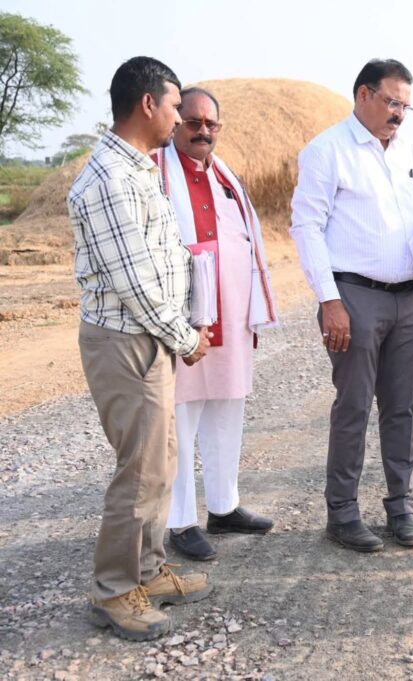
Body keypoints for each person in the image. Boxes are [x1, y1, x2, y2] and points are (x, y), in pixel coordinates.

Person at [69, 56, 213, 641]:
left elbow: (157, 259)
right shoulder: (110, 178)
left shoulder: (137, 169)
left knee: (161, 461)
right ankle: (113, 591)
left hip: (145, 336)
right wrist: (185, 337)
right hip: (126, 339)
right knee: (140, 470)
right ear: (148, 103)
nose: (181, 119)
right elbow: (135, 282)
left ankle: (148, 573)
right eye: (176, 107)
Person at [290, 59, 413, 553]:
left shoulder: (410, 153)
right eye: (391, 101)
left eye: (405, 105)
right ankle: (342, 513)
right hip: (354, 298)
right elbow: (307, 227)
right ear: (363, 95)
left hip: (409, 299)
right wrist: (329, 300)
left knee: (402, 409)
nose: (399, 113)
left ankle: (401, 507)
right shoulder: (327, 151)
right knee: (354, 407)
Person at [155, 87, 279, 561]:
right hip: (182, 320)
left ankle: (224, 507)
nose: (203, 130)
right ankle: (180, 520)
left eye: (211, 124)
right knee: (180, 419)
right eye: (193, 122)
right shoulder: (155, 173)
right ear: (175, 123)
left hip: (231, 315)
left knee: (227, 411)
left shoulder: (226, 177)